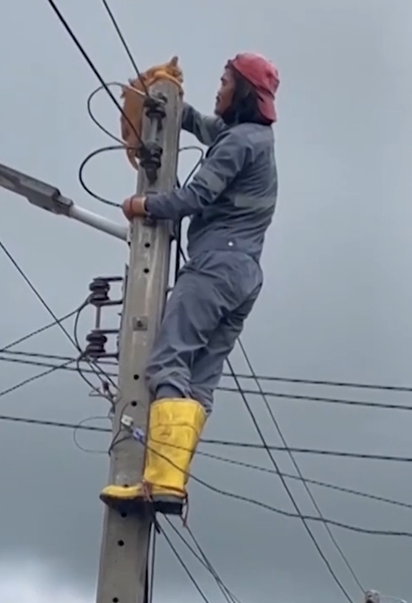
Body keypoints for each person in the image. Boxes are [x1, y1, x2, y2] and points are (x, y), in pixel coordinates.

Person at [100, 52, 280, 514]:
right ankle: (167, 483)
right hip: (245, 275)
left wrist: (142, 205)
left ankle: (151, 478)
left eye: (223, 82)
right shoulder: (252, 138)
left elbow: (196, 197)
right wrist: (170, 103)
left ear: (241, 91)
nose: (218, 89)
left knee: (168, 361)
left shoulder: (241, 142)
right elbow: (202, 126)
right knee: (200, 381)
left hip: (218, 265)